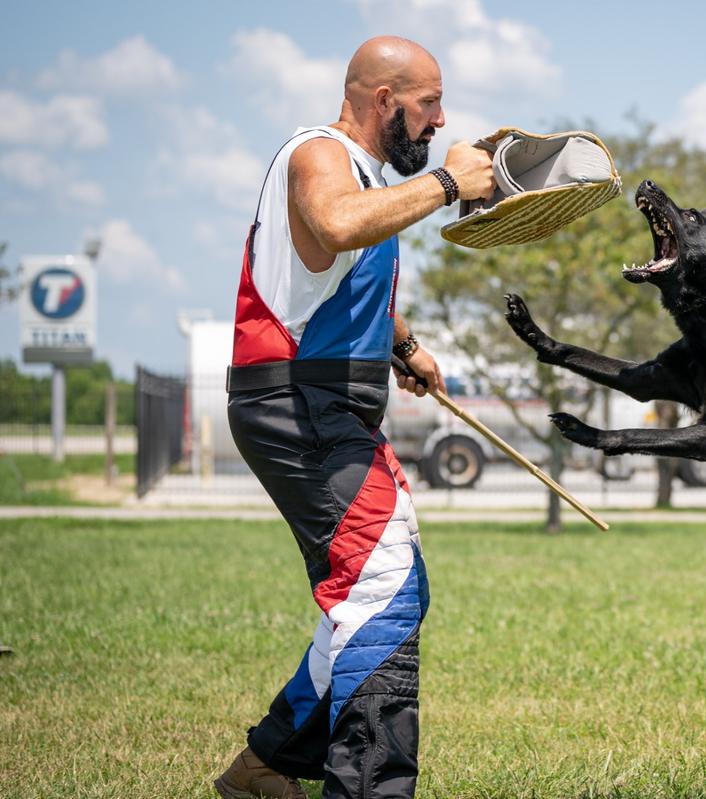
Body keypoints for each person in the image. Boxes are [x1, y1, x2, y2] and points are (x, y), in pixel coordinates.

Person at [215, 36, 494, 799]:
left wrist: (402, 344)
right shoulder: (319, 154)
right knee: (383, 593)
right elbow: (337, 224)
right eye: (429, 103)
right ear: (384, 102)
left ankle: (267, 764)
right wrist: (445, 182)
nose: (441, 119)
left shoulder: (366, 174)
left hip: (329, 400)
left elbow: (337, 271)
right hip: (297, 403)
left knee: (380, 589)